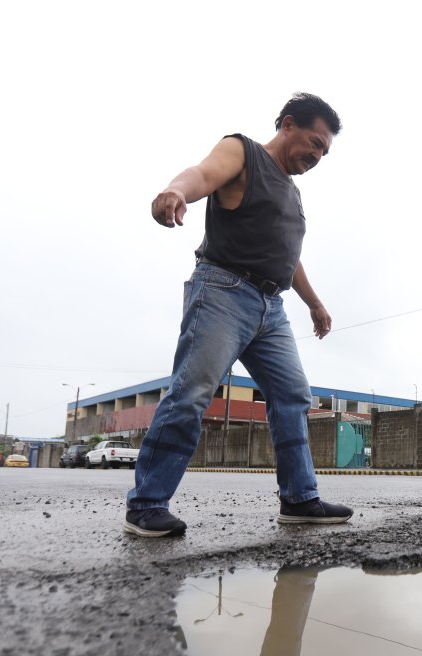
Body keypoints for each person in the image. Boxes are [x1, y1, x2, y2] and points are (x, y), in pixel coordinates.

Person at [125, 93, 353, 538]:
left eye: (324, 150)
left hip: (273, 307)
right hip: (223, 291)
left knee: (292, 397)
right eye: (314, 142)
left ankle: (299, 498)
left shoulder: (292, 192)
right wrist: (176, 190)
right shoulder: (243, 151)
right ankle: (147, 504)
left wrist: (315, 303)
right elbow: (202, 173)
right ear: (288, 124)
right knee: (192, 392)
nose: (317, 155)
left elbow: (288, 256)